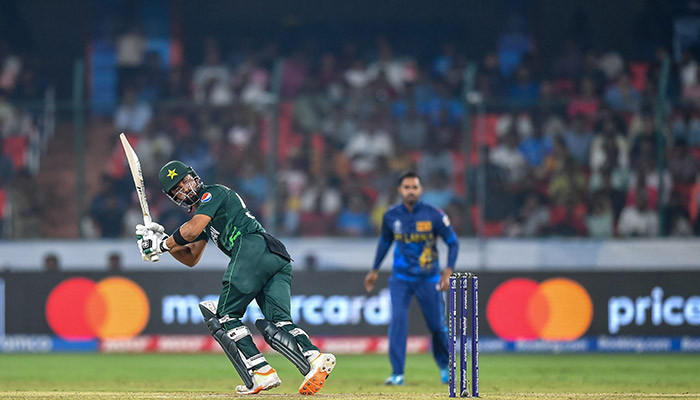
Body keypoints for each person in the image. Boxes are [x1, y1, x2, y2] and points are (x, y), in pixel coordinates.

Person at [136, 160, 336, 395]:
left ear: (195, 176)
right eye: (178, 188)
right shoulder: (203, 215)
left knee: (224, 316)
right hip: (275, 256)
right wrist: (163, 242)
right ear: (174, 197)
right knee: (280, 323)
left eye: (185, 181)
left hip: (252, 247)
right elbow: (191, 257)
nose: (185, 188)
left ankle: (261, 372)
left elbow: (190, 230)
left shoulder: (213, 193)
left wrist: (161, 245)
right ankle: (315, 358)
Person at [364, 171, 459, 386]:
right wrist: (374, 269)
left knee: (437, 325)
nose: (411, 191)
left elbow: (453, 242)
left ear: (420, 190)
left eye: (414, 187)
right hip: (401, 278)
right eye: (407, 187)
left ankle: (445, 367)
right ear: (400, 190)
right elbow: (385, 241)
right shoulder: (391, 215)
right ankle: (397, 373)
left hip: (429, 278)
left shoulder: (434, 214)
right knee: (397, 322)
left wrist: (448, 271)